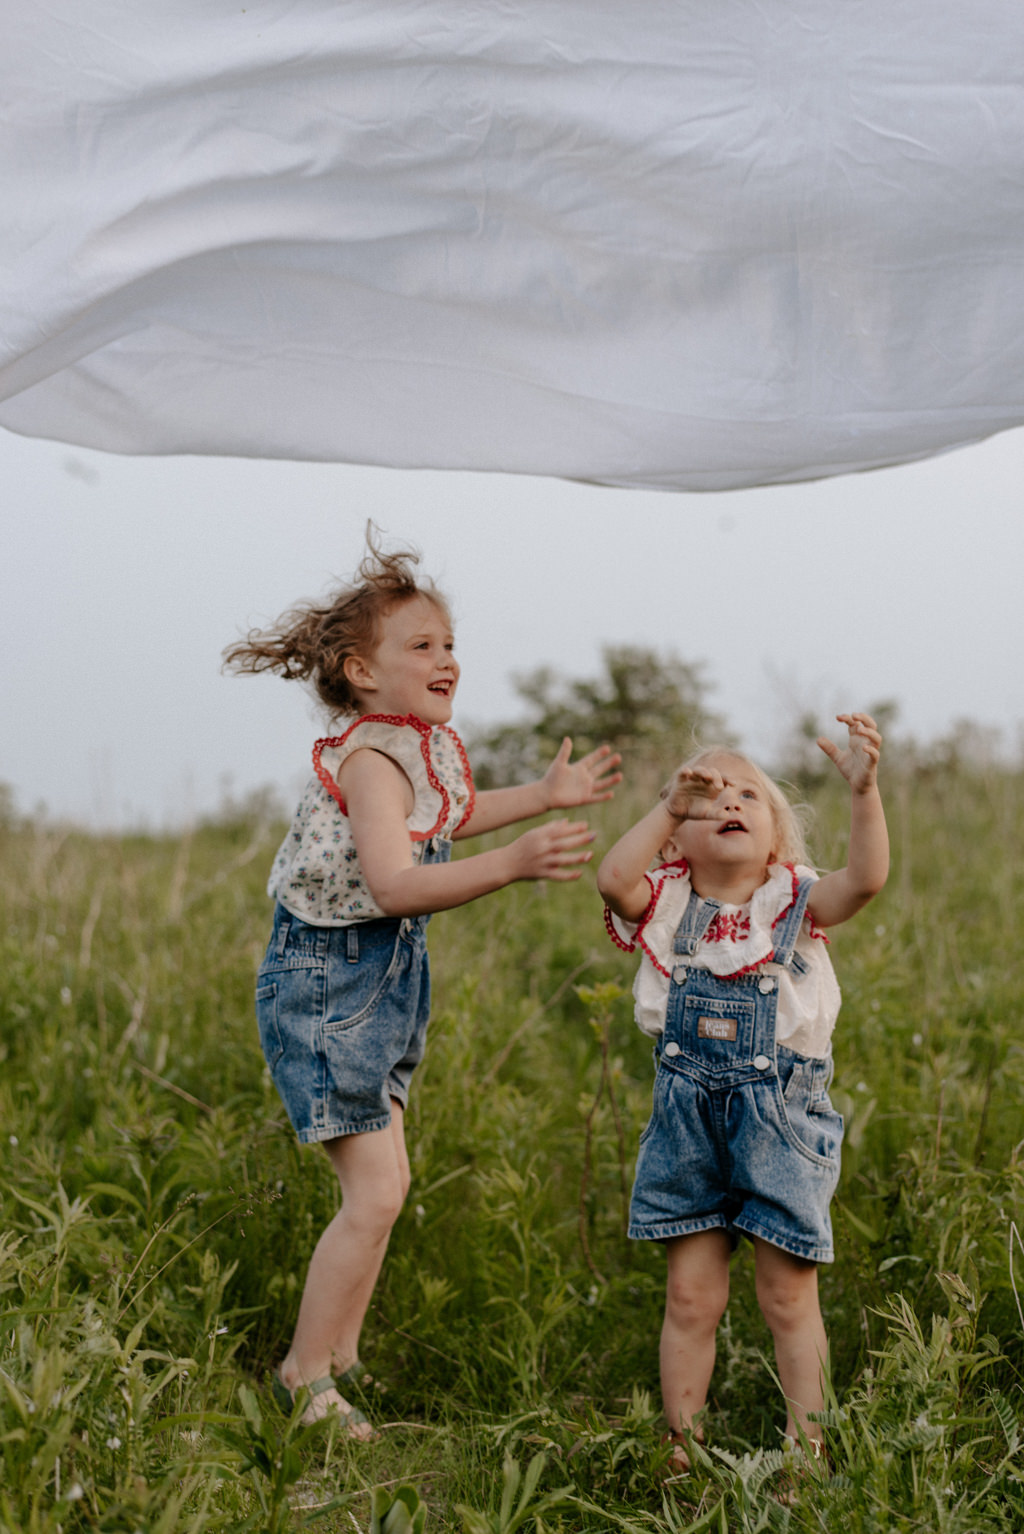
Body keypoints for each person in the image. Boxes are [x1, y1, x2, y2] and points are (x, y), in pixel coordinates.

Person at [224, 533, 621, 1435]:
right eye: (422, 646)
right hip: (330, 983)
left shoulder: (418, 748)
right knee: (373, 1194)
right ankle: (302, 1376)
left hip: (380, 976)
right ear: (361, 672)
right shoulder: (369, 760)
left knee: (388, 1183)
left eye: (449, 644)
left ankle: (342, 1357)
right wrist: (515, 863)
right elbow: (399, 881)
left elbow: (451, 813)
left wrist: (542, 795)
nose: (447, 660)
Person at [596, 717, 888, 1467]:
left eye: (748, 796)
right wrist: (668, 802)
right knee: (692, 1299)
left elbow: (868, 880)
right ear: (677, 838)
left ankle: (806, 1452)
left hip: (781, 1118)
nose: (729, 803)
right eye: (706, 798)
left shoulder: (796, 901)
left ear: (775, 838)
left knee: (787, 1296)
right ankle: (682, 1446)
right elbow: (611, 880)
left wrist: (864, 792)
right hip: (686, 1121)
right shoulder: (662, 904)